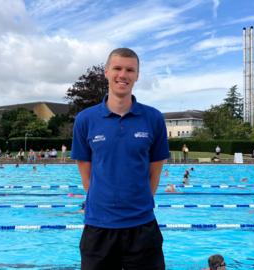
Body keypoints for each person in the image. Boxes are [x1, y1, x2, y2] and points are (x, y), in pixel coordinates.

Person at [71, 48, 169, 270]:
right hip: (98, 228)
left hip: (142, 226)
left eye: (129, 70)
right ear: (106, 72)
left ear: (137, 75)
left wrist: (139, 201)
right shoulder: (85, 119)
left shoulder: (153, 118)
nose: (122, 75)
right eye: (117, 68)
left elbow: (155, 171)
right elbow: (85, 171)